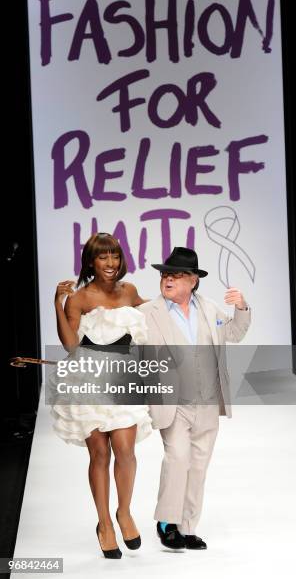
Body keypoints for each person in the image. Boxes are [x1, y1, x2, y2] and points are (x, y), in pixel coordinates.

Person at [138, 247, 251, 551]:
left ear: (192, 281)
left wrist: (242, 307)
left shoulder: (210, 309)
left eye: (175, 275)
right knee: (177, 459)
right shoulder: (147, 314)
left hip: (208, 402)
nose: (167, 279)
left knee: (198, 465)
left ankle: (188, 527)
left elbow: (235, 333)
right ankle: (167, 522)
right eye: (165, 274)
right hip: (173, 403)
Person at [51, 232, 152, 559]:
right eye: (103, 257)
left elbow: (153, 316)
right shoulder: (80, 298)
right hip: (89, 381)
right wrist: (59, 305)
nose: (110, 263)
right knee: (100, 454)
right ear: (91, 261)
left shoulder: (130, 290)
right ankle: (104, 523)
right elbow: (69, 345)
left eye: (115, 257)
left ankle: (124, 512)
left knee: (125, 450)